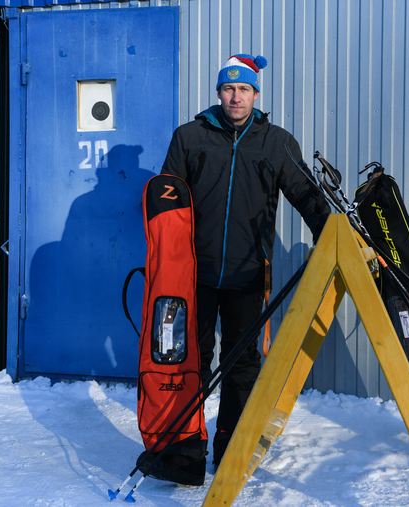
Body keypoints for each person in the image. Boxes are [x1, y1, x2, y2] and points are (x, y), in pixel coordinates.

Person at [143, 53, 330, 486]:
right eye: (228, 89)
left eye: (243, 89)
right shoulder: (189, 137)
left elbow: (304, 191)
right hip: (194, 275)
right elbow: (168, 200)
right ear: (218, 93)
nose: (235, 97)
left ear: (255, 94)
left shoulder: (277, 141)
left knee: (242, 362)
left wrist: (330, 232)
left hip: (249, 273)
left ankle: (231, 448)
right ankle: (184, 451)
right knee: (187, 360)